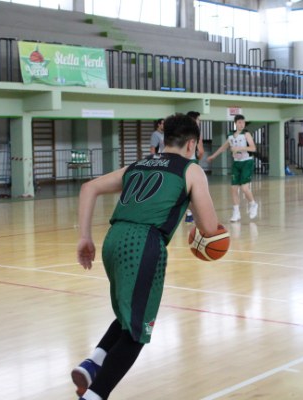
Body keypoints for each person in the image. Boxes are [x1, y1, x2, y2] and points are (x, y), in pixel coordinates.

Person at [71, 113, 219, 400]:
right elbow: (210, 228)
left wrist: (85, 237)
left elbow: (89, 188)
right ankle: (94, 396)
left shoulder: (138, 164)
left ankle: (93, 364)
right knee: (138, 332)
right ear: (191, 144)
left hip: (113, 239)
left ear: (165, 139)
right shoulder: (191, 170)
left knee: (130, 314)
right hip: (143, 244)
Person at [207, 114, 259, 222]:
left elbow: (253, 148)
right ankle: (236, 212)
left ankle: (253, 204)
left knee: (244, 188)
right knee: (233, 189)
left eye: (243, 122)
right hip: (236, 163)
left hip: (247, 162)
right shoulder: (231, 136)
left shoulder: (246, 134)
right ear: (235, 123)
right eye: (239, 122)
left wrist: (240, 148)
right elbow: (223, 148)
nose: (242, 124)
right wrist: (213, 156)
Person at [184, 111, 204, 223]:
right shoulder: (196, 132)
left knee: (183, 188)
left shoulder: (180, 131)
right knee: (193, 189)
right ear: (193, 120)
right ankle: (191, 213)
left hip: (179, 162)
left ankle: (187, 212)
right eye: (198, 119)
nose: (199, 121)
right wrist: (197, 159)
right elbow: (201, 151)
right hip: (191, 162)